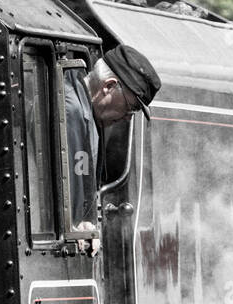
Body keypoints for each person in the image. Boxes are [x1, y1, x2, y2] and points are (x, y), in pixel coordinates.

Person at [63, 44, 161, 248]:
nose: (127, 118)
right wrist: (73, 224)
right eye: (131, 108)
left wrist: (86, 222)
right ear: (108, 86)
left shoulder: (87, 112)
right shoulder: (70, 111)